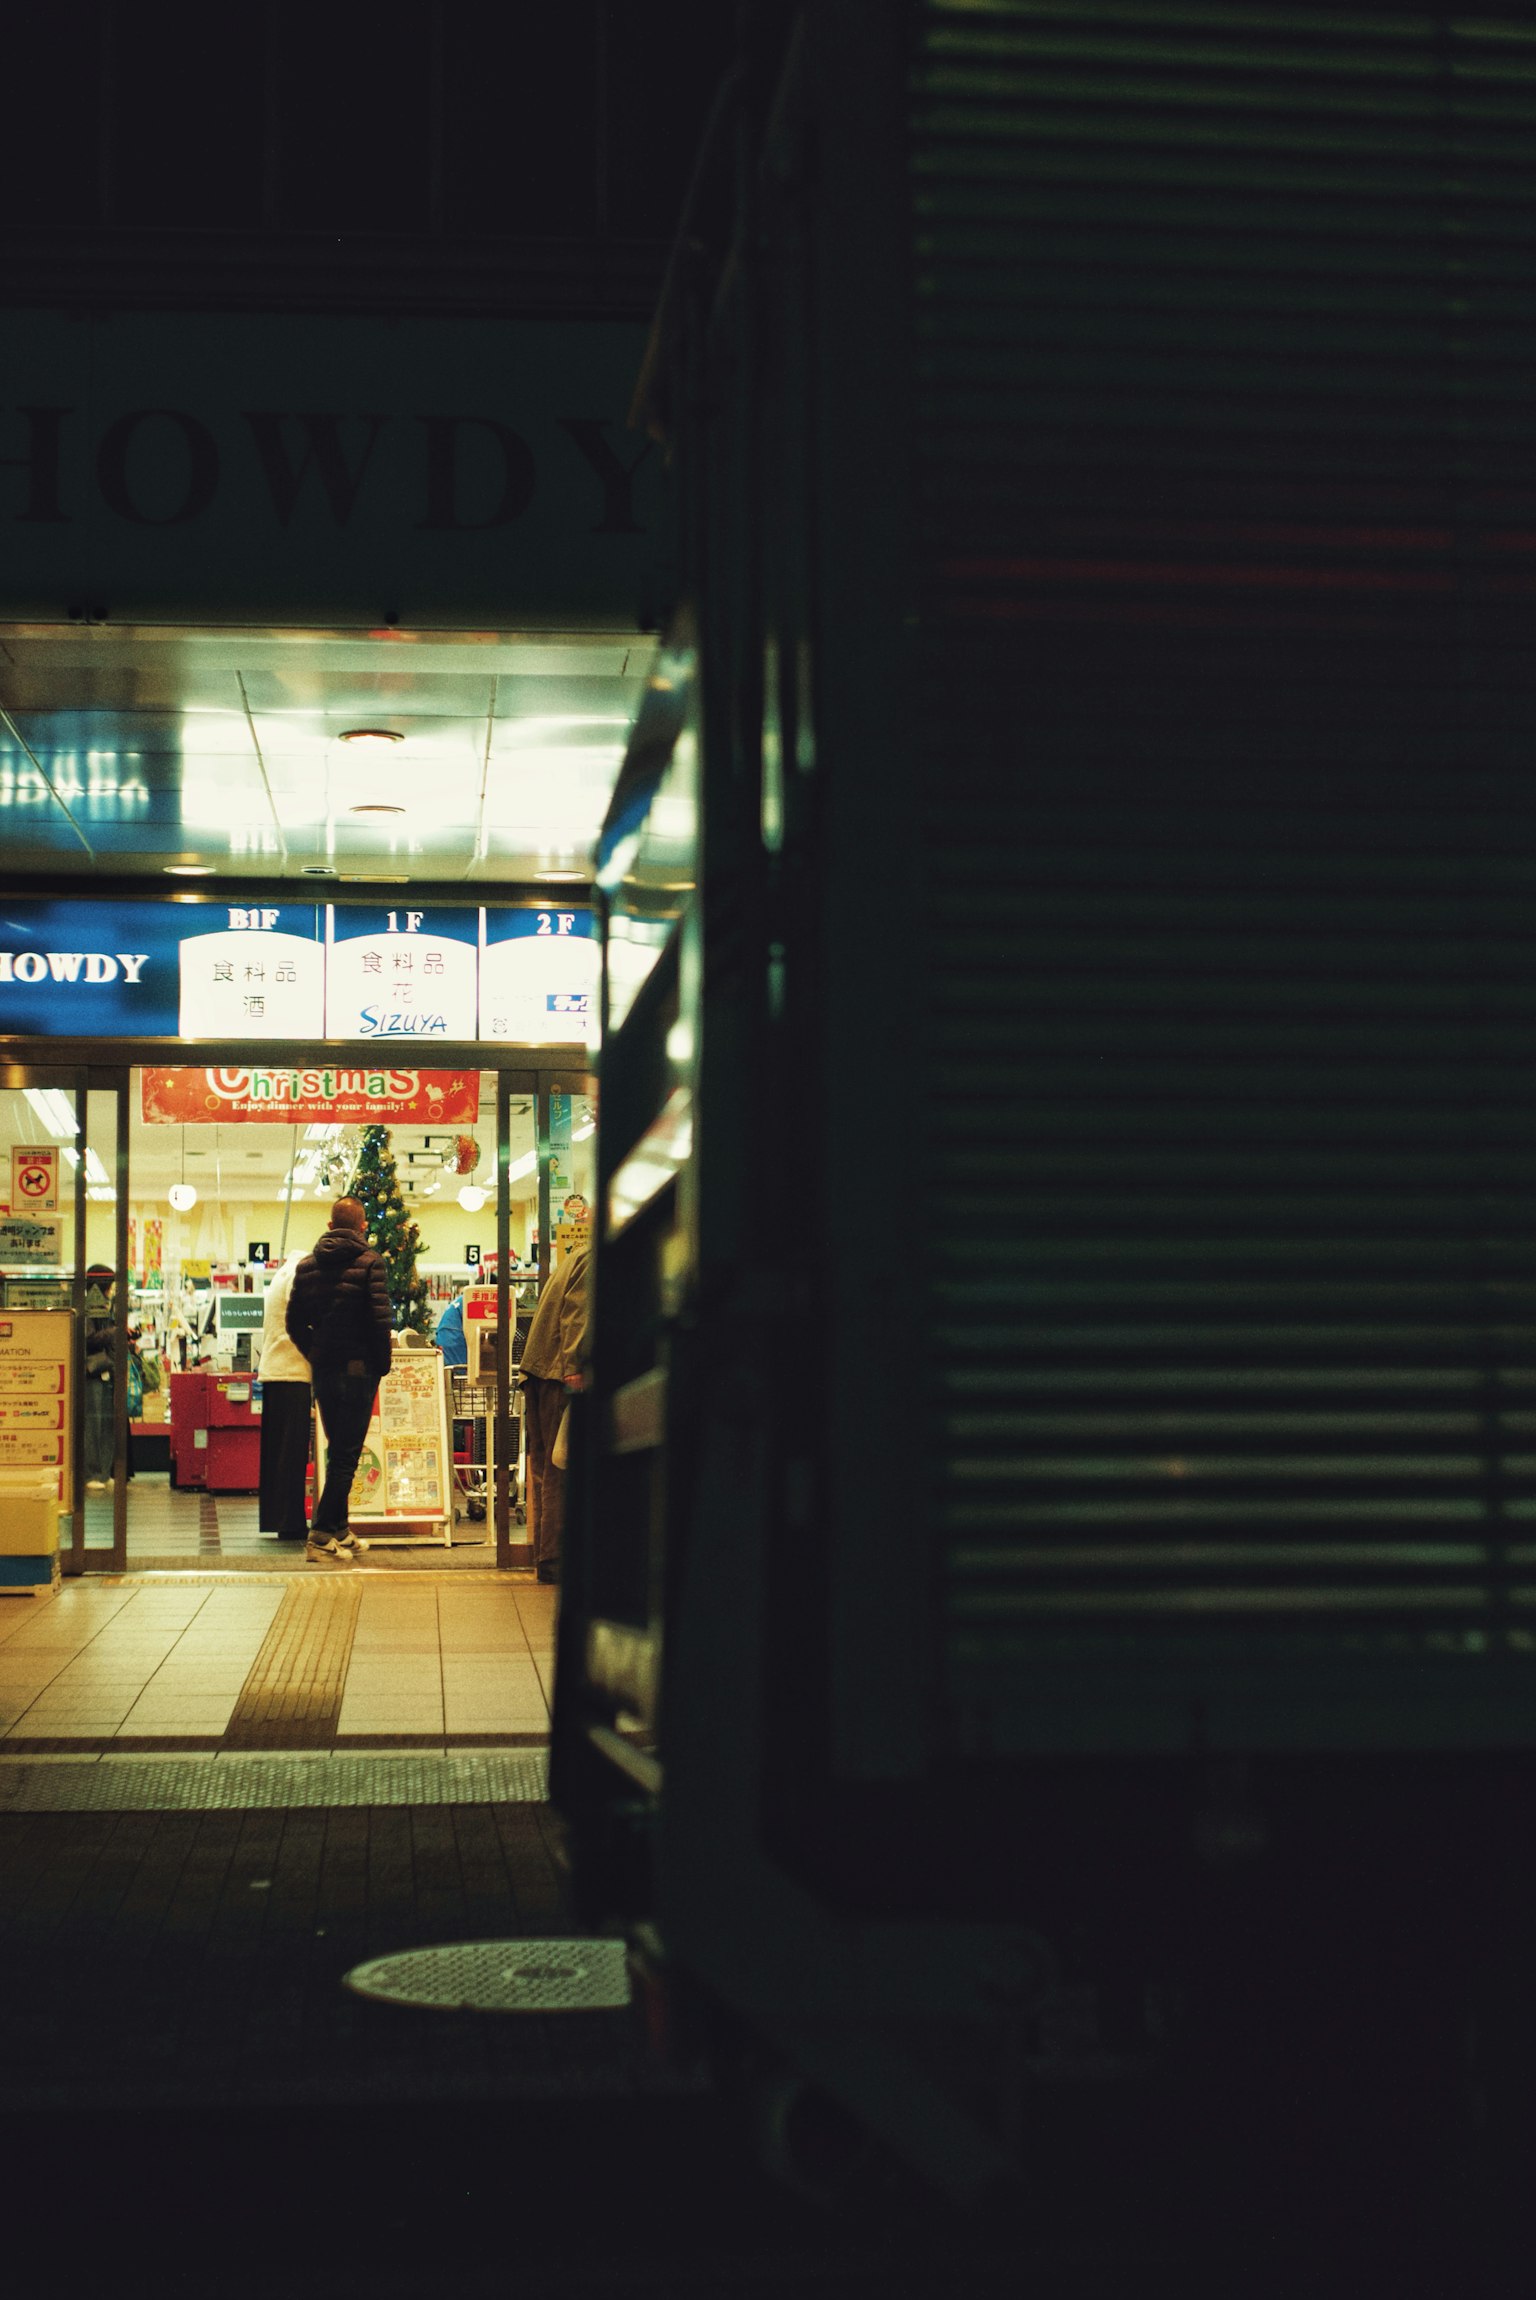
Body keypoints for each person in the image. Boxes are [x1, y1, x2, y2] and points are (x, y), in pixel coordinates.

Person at [285, 1196, 392, 1564]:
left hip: (325, 1373)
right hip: (360, 1371)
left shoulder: (306, 1266)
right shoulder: (370, 1263)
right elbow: (380, 1322)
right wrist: (382, 1364)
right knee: (347, 1454)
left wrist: (316, 1353)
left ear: (330, 1226)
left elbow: (294, 1322)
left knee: (338, 1452)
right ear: (363, 1227)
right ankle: (320, 1534)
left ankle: (341, 1530)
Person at [518, 1243, 589, 1584]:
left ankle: (545, 1556)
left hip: (539, 1370)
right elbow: (577, 1315)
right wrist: (576, 1368)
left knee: (544, 1465)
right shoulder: (592, 1259)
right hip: (559, 1373)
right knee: (560, 1467)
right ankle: (554, 1560)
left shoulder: (574, 1256)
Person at [257, 1253, 311, 1541]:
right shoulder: (299, 1275)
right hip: (292, 1371)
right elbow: (305, 1321)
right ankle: (290, 1522)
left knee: (277, 1454)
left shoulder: (282, 1275)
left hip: (275, 1371)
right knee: (292, 1453)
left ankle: (280, 1519)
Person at [83, 1265, 116, 1485]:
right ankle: (93, 1473)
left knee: (105, 1423)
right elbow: (89, 1338)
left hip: (105, 1370)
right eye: (110, 1286)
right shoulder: (88, 1309)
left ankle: (104, 1472)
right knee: (93, 1424)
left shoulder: (104, 1308)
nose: (112, 1290)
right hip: (93, 1372)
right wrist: (115, 1331)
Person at [433, 1283, 470, 1374]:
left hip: (446, 1336)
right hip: (456, 1339)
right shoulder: (474, 1300)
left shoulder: (462, 1300)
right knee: (464, 1377)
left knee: (453, 1377)